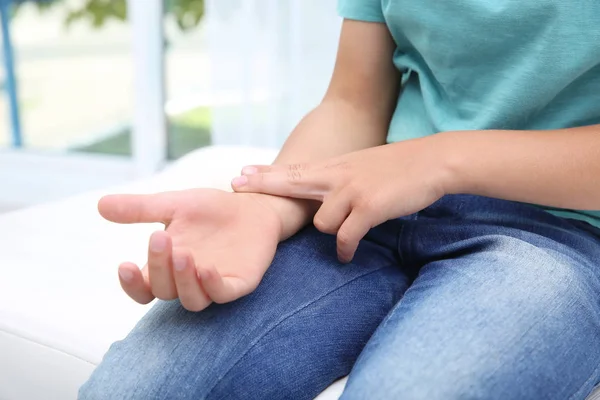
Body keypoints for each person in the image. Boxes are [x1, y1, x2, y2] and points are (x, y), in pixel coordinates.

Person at [79, 0, 600, 399]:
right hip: (363, 211)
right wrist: (267, 204)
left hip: (561, 232)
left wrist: (439, 160)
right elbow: (353, 100)